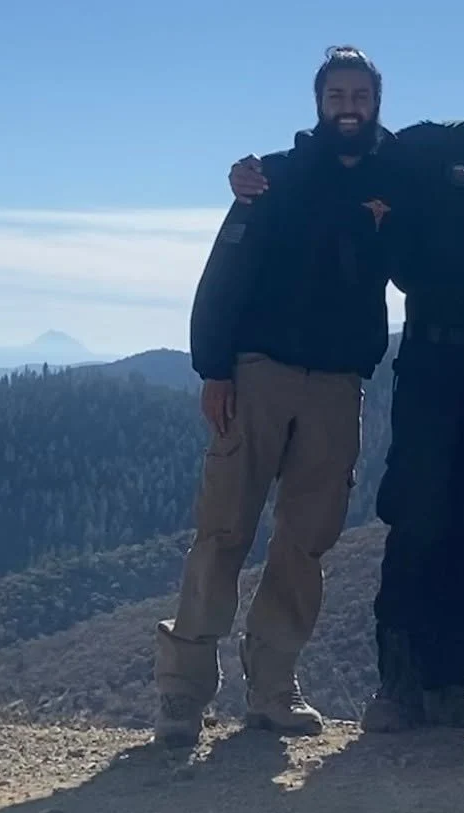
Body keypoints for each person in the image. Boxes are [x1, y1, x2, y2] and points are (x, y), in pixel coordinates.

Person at [228, 38, 464, 731]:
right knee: (416, 515)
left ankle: (450, 681)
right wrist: (259, 174)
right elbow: (345, 152)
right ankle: (397, 686)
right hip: (429, 359)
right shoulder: (425, 146)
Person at [153, 45, 393, 747]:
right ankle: (182, 693)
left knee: (305, 541)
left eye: (360, 96)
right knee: (223, 529)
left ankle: (273, 687)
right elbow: (224, 272)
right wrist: (214, 369)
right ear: (319, 102)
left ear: (375, 102)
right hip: (259, 374)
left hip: (339, 384)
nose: (348, 107)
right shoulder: (274, 178)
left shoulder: (393, 181)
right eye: (337, 95)